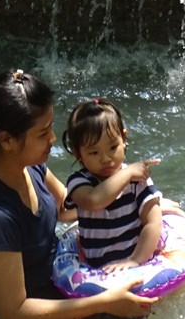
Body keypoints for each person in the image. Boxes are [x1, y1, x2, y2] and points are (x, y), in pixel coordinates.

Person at [0, 69, 156, 319]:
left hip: (59, 281)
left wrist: (144, 205)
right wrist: (105, 303)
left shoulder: (27, 165)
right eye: (43, 132)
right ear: (7, 140)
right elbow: (12, 312)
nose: (54, 139)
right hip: (30, 314)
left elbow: (68, 208)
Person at [61, 98, 163, 273]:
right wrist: (128, 172)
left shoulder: (138, 181)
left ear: (124, 138)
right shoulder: (78, 182)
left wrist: (134, 260)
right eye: (94, 152)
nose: (106, 158)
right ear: (78, 153)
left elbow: (153, 223)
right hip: (95, 272)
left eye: (113, 147)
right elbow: (94, 201)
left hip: (137, 262)